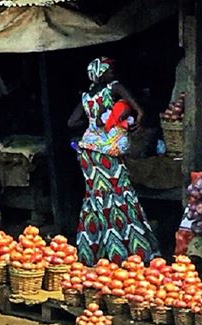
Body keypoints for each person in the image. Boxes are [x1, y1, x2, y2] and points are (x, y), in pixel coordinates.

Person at [67, 57, 160, 265]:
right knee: (119, 194)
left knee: (96, 198)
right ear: (101, 74)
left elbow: (71, 122)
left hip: (88, 153)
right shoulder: (113, 87)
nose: (113, 74)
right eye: (109, 71)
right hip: (108, 152)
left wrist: (93, 122)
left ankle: (93, 252)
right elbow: (140, 110)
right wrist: (131, 119)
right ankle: (127, 252)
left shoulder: (86, 97)